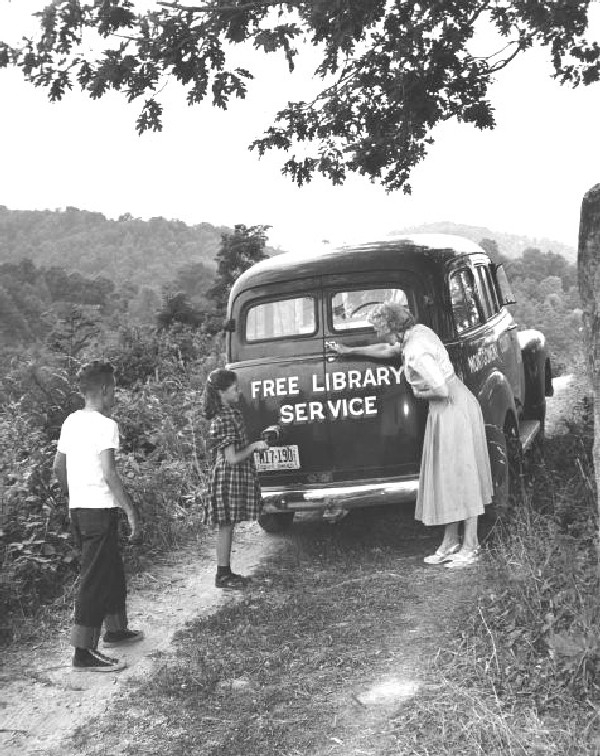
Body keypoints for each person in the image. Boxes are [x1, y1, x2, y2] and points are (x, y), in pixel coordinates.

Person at [328, 302, 493, 567]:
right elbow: (388, 349)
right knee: (448, 477)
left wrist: (418, 393)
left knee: (462, 476)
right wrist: (349, 351)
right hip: (449, 410)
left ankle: (470, 546)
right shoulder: (416, 333)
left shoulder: (416, 350)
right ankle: (450, 541)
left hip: (452, 408)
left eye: (378, 327)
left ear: (391, 326)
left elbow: (442, 390)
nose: (377, 332)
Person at [53, 361, 143, 673]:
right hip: (100, 510)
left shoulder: (70, 422)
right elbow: (109, 473)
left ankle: (116, 629)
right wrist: (130, 510)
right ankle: (83, 652)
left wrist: (74, 493)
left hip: (79, 508)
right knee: (94, 578)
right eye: (114, 388)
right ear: (104, 390)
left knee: (111, 569)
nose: (115, 394)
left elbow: (57, 469)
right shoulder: (106, 426)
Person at [204, 368, 269, 589]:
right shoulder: (224, 417)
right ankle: (222, 574)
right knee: (225, 526)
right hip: (228, 477)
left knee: (228, 526)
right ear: (222, 392)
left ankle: (224, 572)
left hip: (229, 476)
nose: (239, 392)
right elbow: (231, 458)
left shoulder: (227, 413)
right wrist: (254, 447)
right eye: (234, 389)